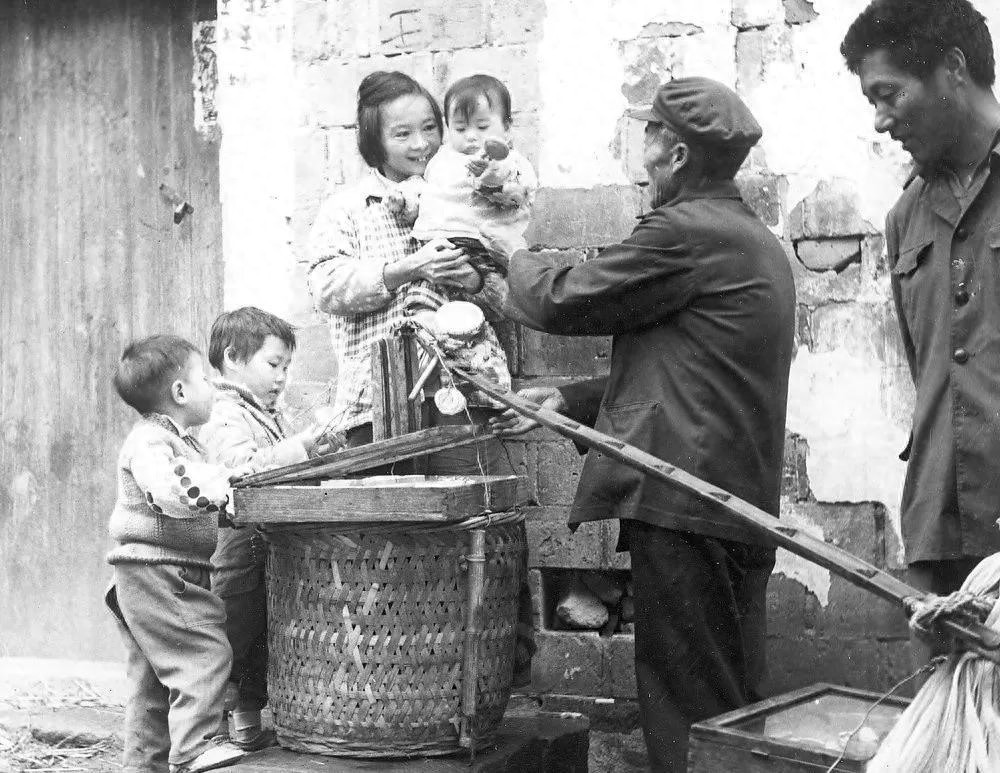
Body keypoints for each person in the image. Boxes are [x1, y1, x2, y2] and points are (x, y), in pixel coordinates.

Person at [486, 77, 796, 771]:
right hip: (728, 507)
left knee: (690, 714)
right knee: (729, 705)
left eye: (649, 137)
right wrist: (571, 401)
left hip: (689, 505)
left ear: (677, 153)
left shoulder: (685, 232)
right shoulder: (749, 239)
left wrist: (509, 247)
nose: (642, 157)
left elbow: (564, 299)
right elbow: (689, 373)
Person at [303, 70, 533, 681]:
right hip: (375, 406)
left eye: (430, 128)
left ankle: (496, 685)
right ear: (373, 142)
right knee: (385, 550)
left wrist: (476, 281)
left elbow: (514, 290)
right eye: (401, 133)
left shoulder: (473, 191)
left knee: (488, 532)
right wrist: (405, 269)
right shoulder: (349, 208)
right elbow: (324, 286)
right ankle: (391, 689)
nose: (421, 143)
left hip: (462, 396)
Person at [841, 0, 1000, 666]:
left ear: (953, 68)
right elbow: (926, 368)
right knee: (946, 716)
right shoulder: (905, 217)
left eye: (889, 93)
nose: (881, 120)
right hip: (942, 529)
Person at [104, 335, 248, 773]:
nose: (213, 386)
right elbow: (171, 491)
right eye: (205, 378)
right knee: (203, 652)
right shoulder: (151, 442)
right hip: (159, 572)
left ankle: (144, 764)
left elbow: (193, 504)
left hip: (148, 573)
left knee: (152, 682)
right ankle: (195, 748)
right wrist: (223, 487)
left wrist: (223, 503)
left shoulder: (184, 443)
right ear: (180, 392)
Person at [200, 307, 337, 750]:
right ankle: (207, 731)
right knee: (231, 632)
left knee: (258, 633)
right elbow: (240, 469)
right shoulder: (222, 412)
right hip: (235, 544)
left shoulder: (264, 412)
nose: (282, 377)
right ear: (233, 358)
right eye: (273, 364)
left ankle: (246, 723)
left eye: (286, 367)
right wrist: (299, 448)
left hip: (261, 544)